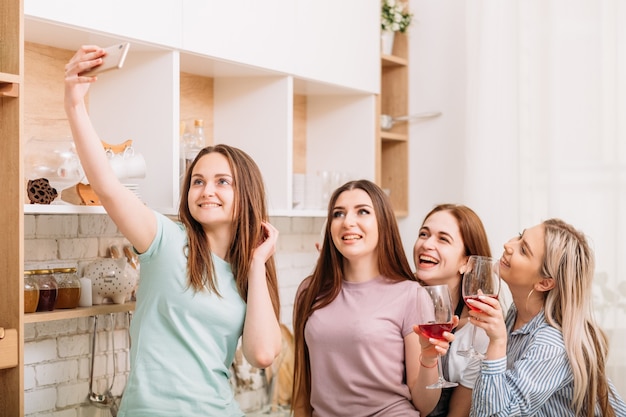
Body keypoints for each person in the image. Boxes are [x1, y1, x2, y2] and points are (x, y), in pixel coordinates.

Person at [64, 45, 282, 416]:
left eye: (222, 182)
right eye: (197, 181)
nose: (206, 190)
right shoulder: (165, 240)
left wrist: (259, 263)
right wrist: (74, 103)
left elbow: (261, 354)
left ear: (246, 194)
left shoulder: (250, 272)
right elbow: (106, 184)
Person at [292, 179, 458, 417]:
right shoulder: (309, 291)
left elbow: (424, 405)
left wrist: (429, 359)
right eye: (338, 214)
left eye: (362, 211)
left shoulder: (411, 294)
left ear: (383, 223)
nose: (348, 221)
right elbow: (302, 390)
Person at [468, 218, 626, 416]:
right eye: (519, 236)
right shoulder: (517, 314)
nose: (508, 245)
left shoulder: (550, 345)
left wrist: (497, 343)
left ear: (544, 283)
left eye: (523, 249)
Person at [413, 204, 492, 417]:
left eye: (443, 239)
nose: (426, 244)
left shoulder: (480, 331)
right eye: (423, 234)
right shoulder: (400, 301)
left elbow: (458, 412)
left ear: (467, 263)